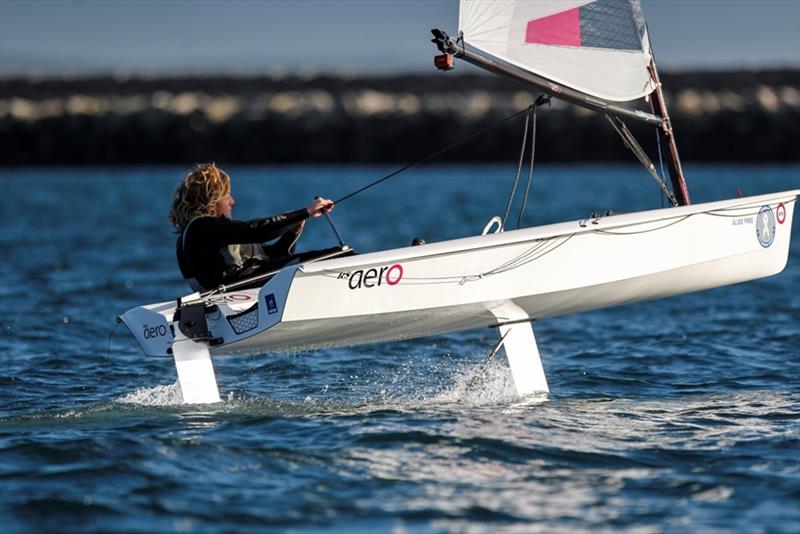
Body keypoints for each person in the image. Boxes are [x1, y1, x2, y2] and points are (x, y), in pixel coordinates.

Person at [169, 163, 334, 291]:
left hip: (254, 288)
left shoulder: (218, 231)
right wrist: (305, 212)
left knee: (331, 254)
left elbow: (271, 259)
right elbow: (257, 230)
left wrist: (290, 233)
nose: (232, 201)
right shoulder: (199, 228)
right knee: (330, 257)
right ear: (211, 200)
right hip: (238, 297)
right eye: (226, 196)